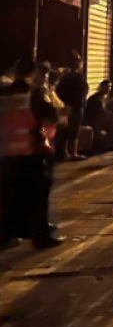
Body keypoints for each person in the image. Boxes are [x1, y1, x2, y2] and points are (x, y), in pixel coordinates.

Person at [0, 59, 62, 250]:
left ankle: (6, 235)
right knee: (38, 197)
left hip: (6, 154)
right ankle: (41, 237)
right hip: (30, 152)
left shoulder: (4, 93)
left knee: (9, 197)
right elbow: (52, 115)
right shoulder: (34, 94)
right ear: (34, 74)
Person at [54, 53, 88, 161]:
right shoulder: (73, 76)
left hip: (74, 105)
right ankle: (70, 153)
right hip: (73, 106)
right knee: (71, 130)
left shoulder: (69, 76)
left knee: (71, 130)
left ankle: (70, 152)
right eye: (78, 61)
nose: (80, 63)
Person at [85, 80, 113, 152]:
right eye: (106, 86)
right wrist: (112, 115)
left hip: (102, 118)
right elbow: (98, 112)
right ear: (101, 87)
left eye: (110, 86)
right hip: (95, 120)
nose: (108, 88)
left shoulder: (104, 97)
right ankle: (106, 144)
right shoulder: (95, 98)